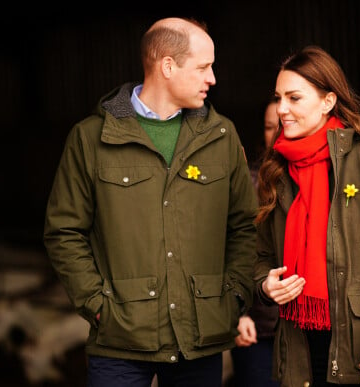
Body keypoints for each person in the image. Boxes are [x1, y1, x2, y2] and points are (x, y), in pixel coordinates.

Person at [42, 17, 258, 387]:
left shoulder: (221, 136)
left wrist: (234, 296)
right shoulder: (92, 138)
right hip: (119, 343)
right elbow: (64, 232)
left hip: (200, 340)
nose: (213, 79)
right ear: (168, 66)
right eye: (204, 67)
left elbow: (244, 226)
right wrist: (98, 307)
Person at [253, 45, 360, 387]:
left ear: (328, 101)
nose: (281, 109)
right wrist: (265, 285)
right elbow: (260, 257)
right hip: (298, 353)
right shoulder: (275, 170)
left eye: (294, 98)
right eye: (278, 97)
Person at [230, 99, 280, 387]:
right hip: (258, 329)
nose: (274, 135)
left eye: (282, 126)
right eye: (268, 127)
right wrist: (237, 313)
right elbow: (228, 252)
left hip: (315, 329)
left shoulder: (325, 179)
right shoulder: (247, 184)